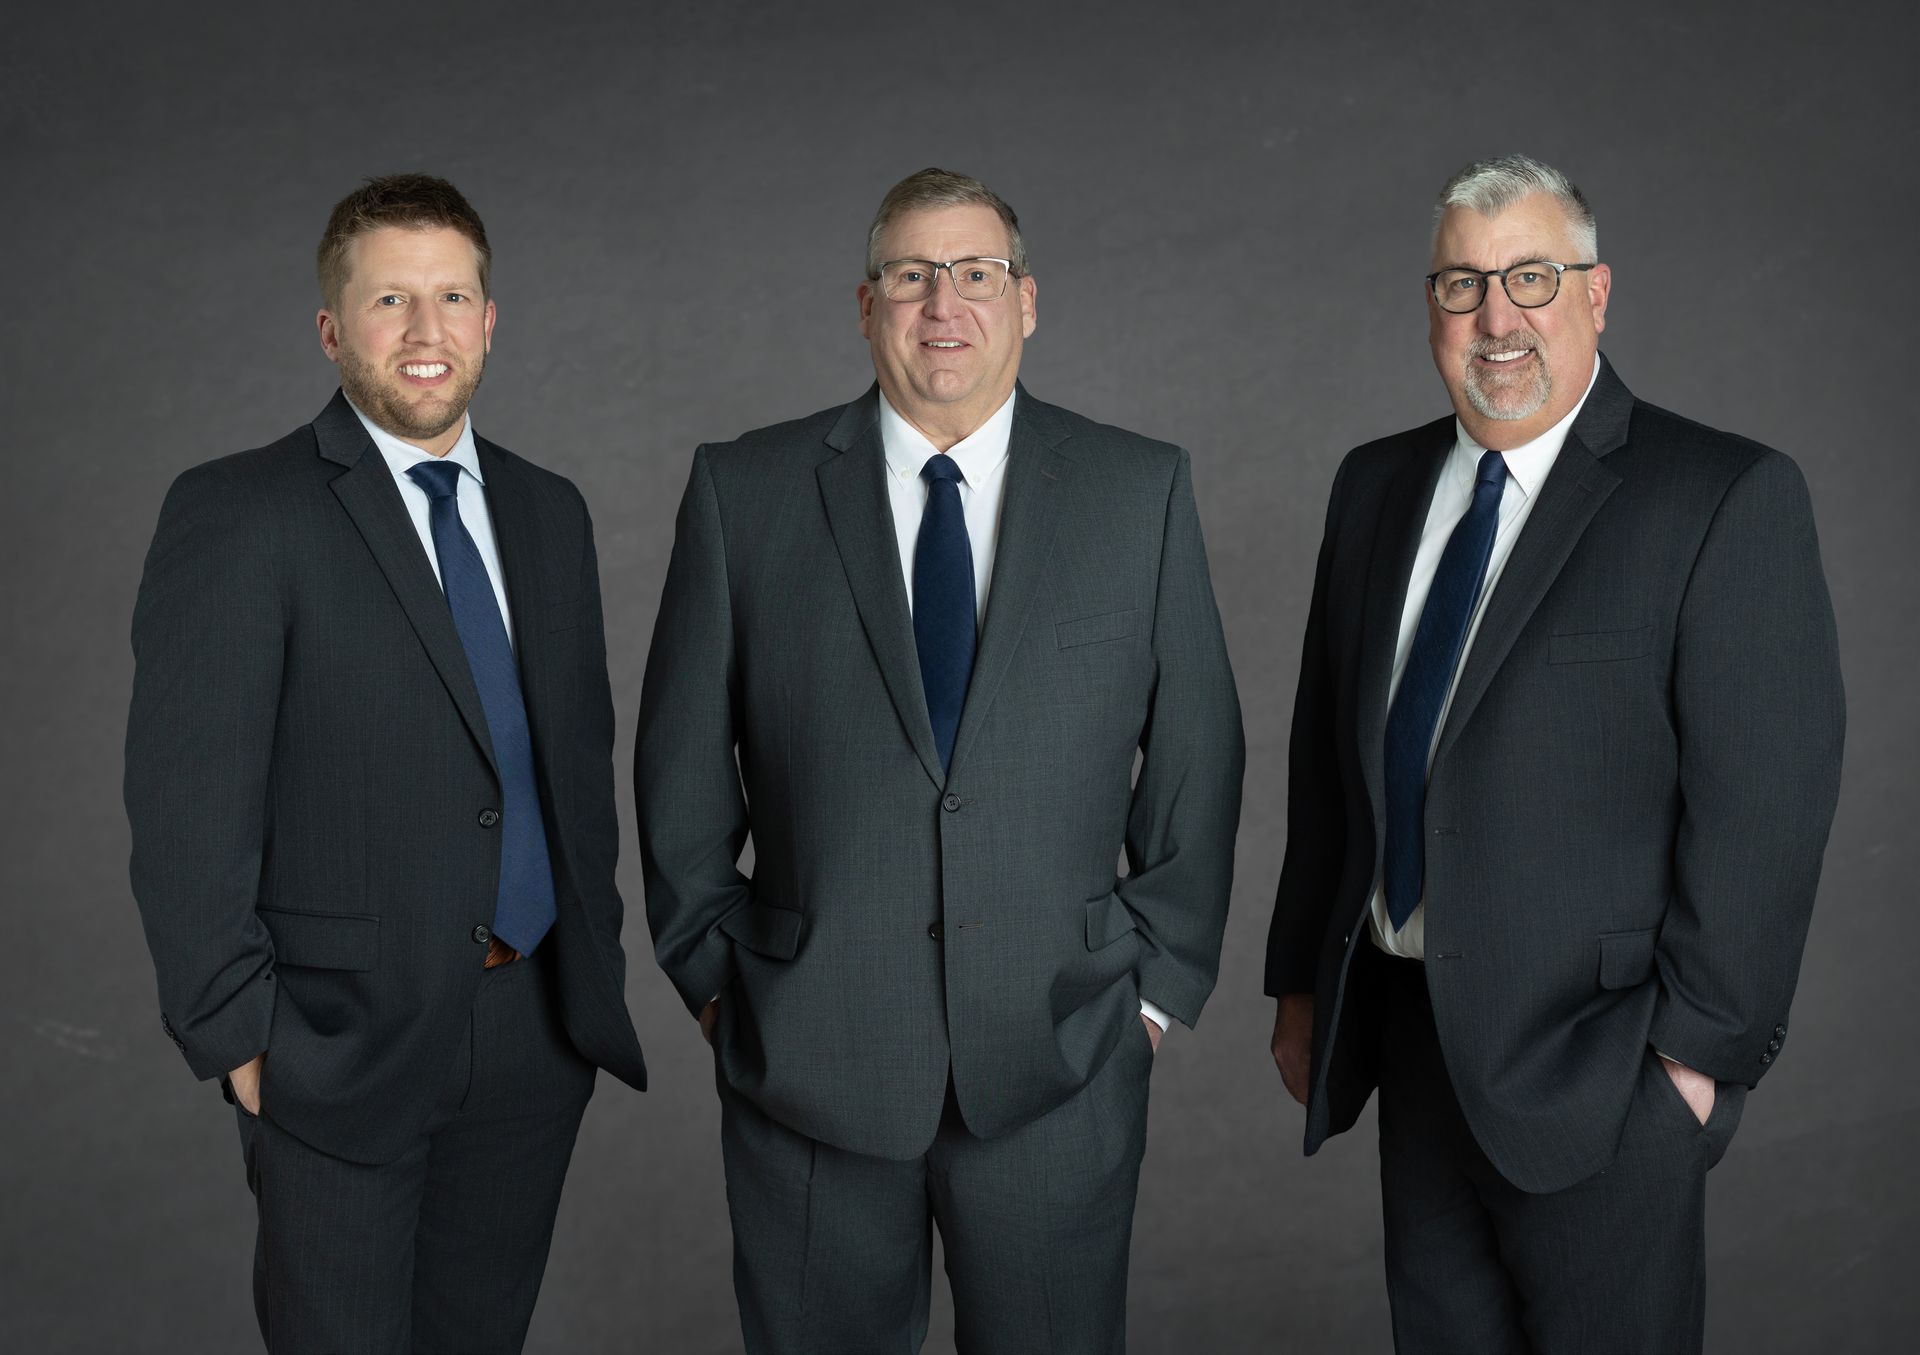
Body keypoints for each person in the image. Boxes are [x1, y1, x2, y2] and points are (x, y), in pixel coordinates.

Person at [637, 167, 1244, 1353]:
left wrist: (1152, 995)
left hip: (1062, 1060)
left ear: (1028, 302)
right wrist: (723, 985)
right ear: (867, 305)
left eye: (975, 273)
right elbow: (680, 772)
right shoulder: (744, 492)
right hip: (808, 1058)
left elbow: (1198, 757)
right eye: (912, 275)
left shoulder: (1138, 491)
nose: (943, 303)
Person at [1265, 153, 1845, 1354]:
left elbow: (1767, 806)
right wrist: (1304, 982)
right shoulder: (1374, 485)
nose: (1497, 317)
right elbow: (1327, 758)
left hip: (1605, 1066)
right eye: (1463, 284)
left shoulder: (1720, 495)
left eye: (1531, 277)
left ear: (1597, 292)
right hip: (1411, 1037)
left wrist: (1692, 1062)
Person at [125, 172, 648, 1353]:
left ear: (489, 320)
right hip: (334, 1045)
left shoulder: (550, 511)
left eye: (452, 296)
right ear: (331, 328)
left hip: (531, 1036)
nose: (426, 329)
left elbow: (569, 768)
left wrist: (587, 972)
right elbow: (185, 799)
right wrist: (242, 1038)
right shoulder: (242, 511)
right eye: (389, 300)